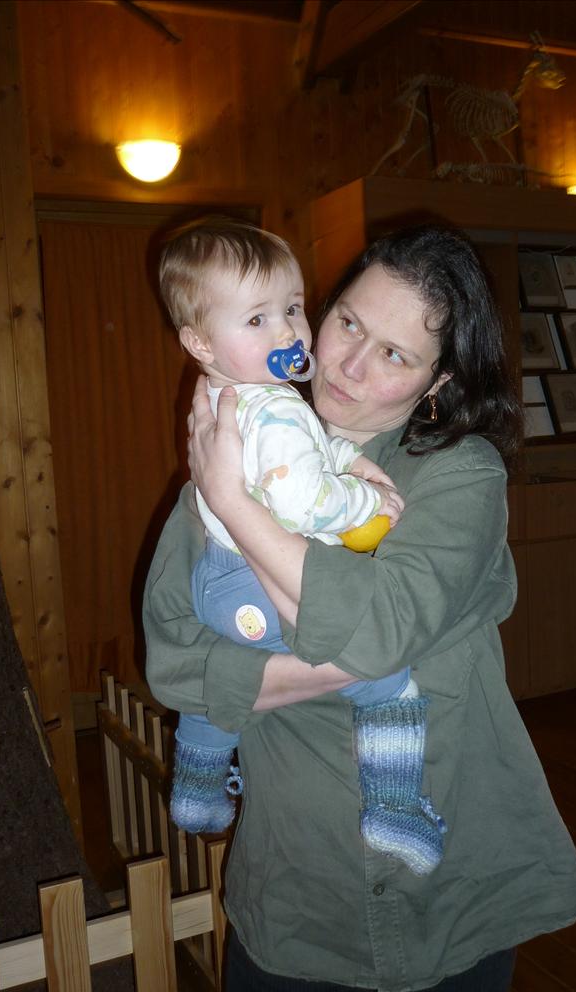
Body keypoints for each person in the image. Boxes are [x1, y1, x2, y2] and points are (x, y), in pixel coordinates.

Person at [143, 223, 576, 992]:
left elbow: (375, 633)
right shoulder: (225, 459)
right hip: (297, 900)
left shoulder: (459, 477)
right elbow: (172, 662)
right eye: (347, 322)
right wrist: (335, 662)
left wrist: (236, 506)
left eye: (395, 354)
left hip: (449, 895)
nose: (349, 365)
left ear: (437, 382)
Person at [158, 216, 446, 874]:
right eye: (257, 319)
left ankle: (198, 785)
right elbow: (301, 500)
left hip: (220, 582)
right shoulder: (273, 406)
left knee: (225, 676)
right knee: (386, 678)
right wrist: (365, 502)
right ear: (199, 340)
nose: (287, 332)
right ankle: (395, 805)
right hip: (255, 583)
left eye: (292, 308)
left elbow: (303, 448)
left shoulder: (240, 398)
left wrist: (350, 459)